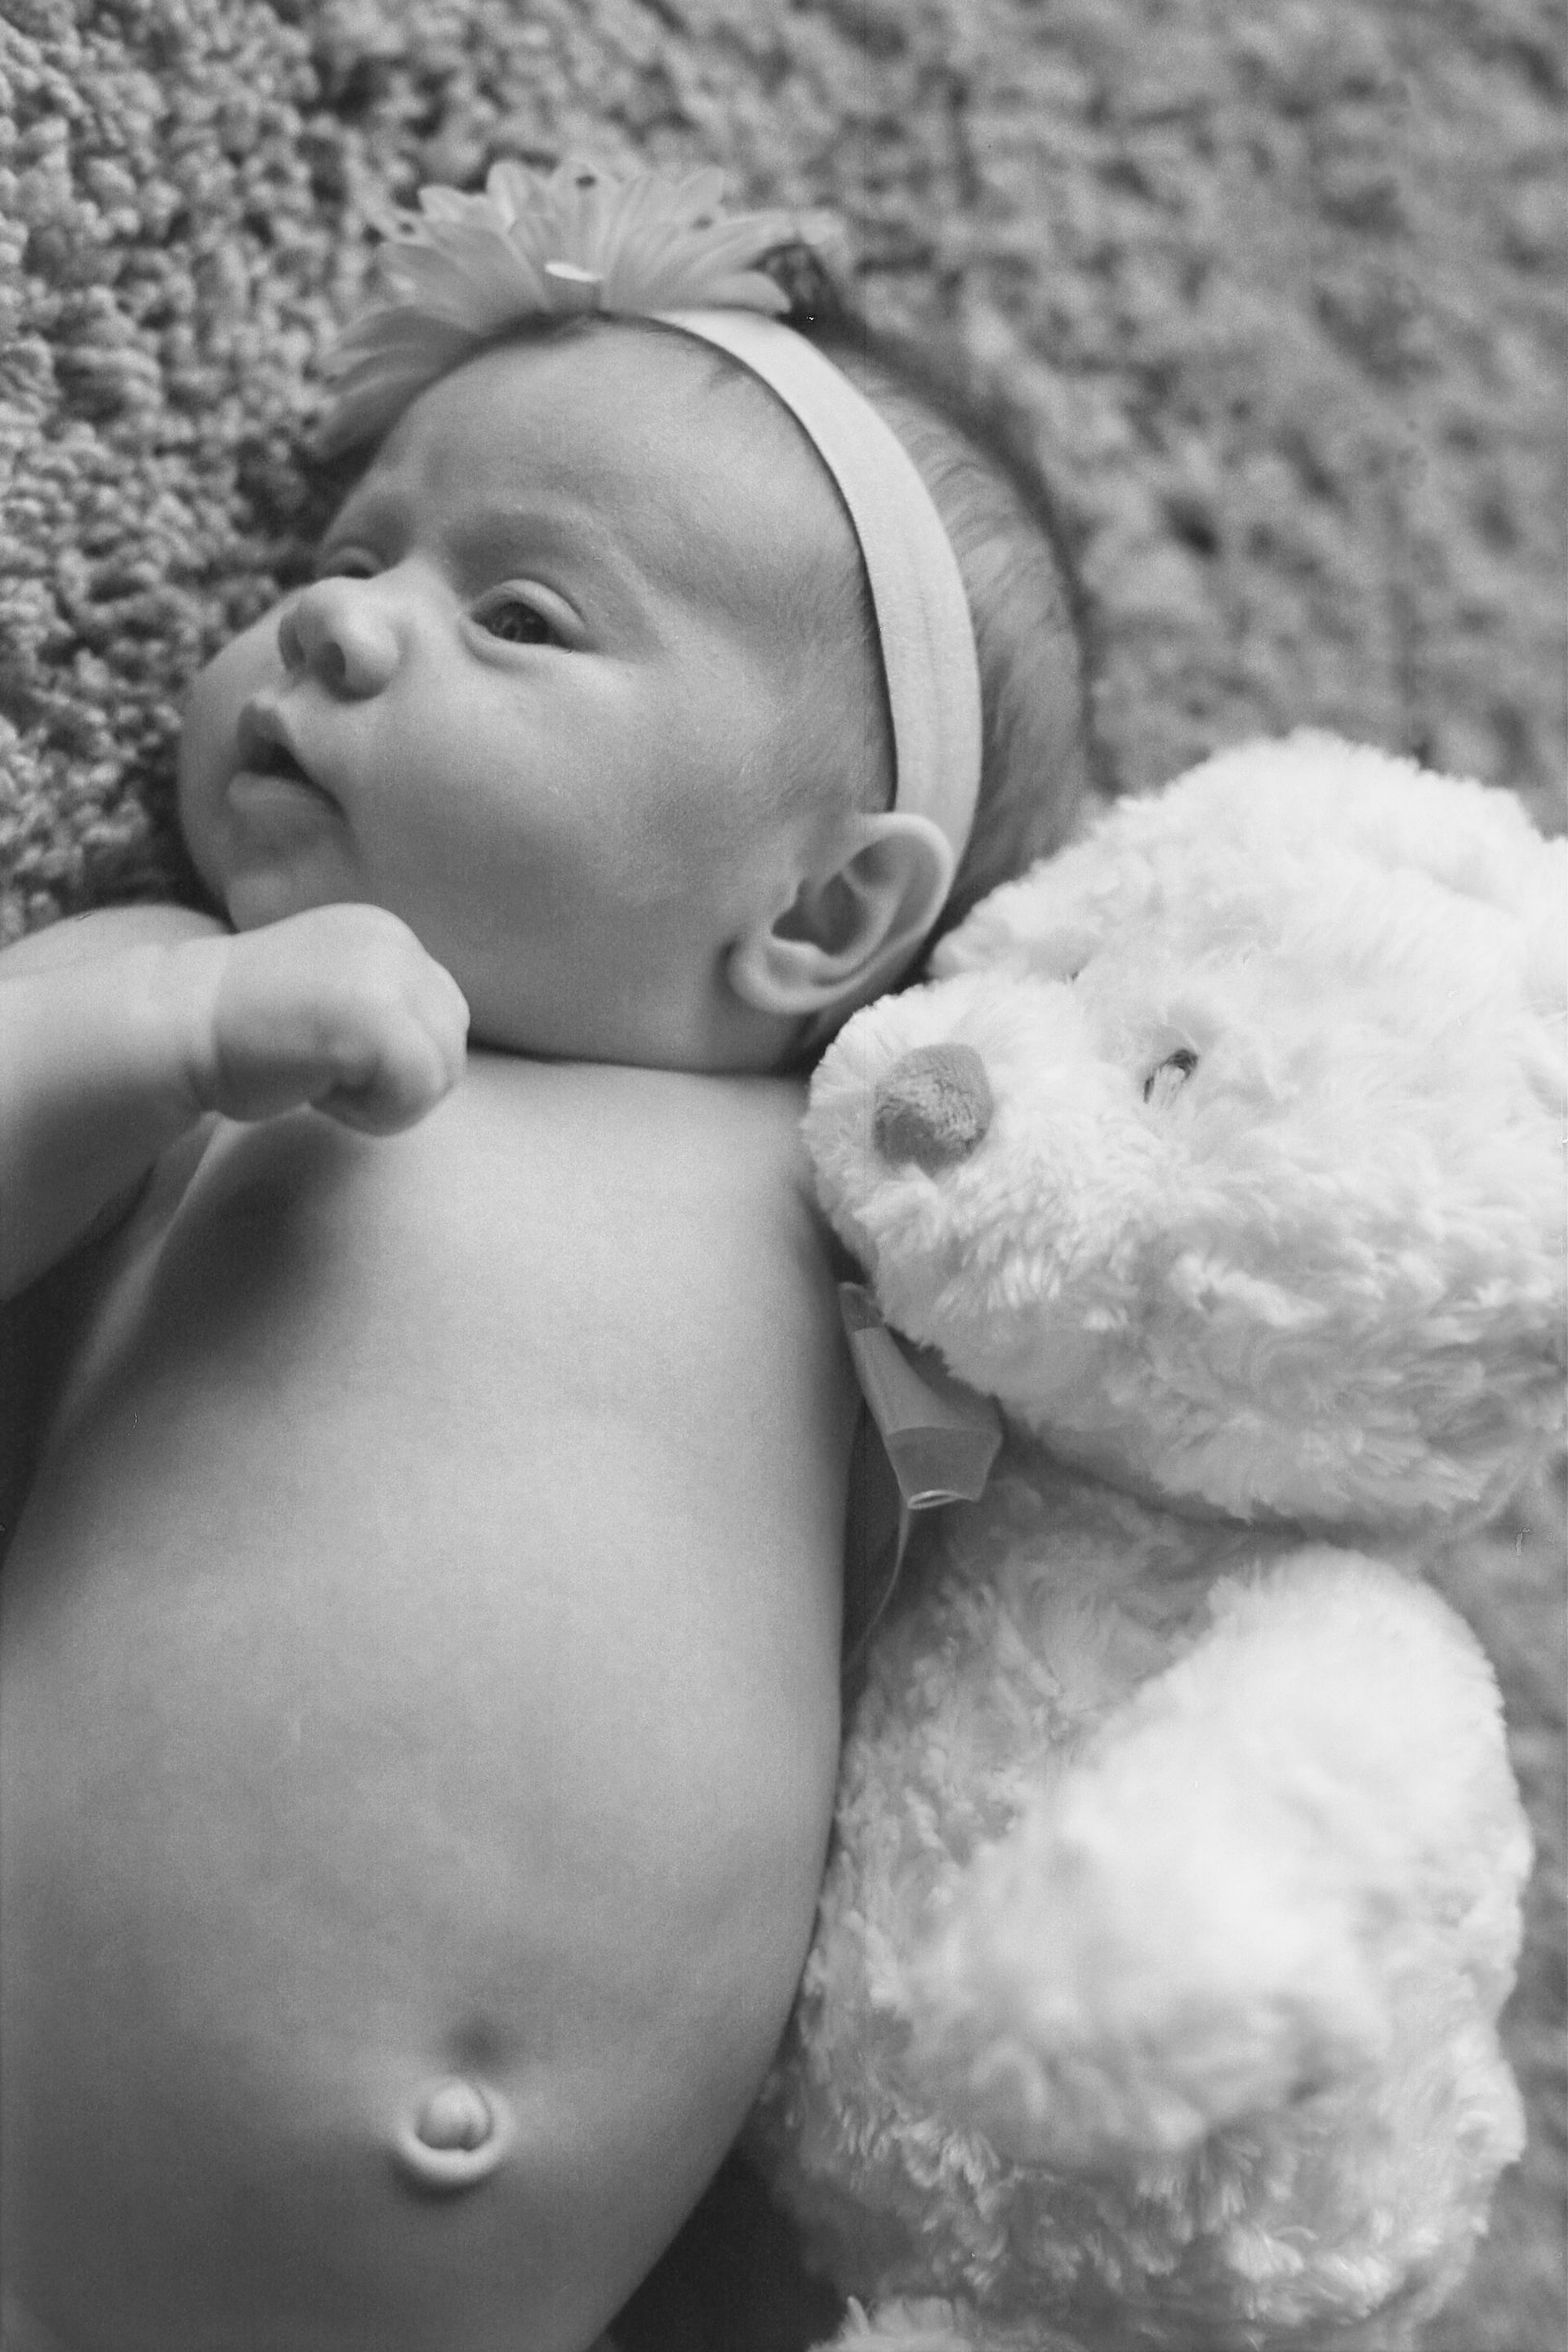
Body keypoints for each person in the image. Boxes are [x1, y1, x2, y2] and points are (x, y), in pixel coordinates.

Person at [0, 161, 1090, 2352]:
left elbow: (967, 1606)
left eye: (519, 613)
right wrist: (172, 1035)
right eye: (343, 554)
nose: (329, 619)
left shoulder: (862, 1230)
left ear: (818, 915)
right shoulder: (202, 1021)